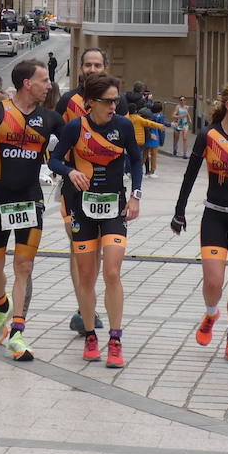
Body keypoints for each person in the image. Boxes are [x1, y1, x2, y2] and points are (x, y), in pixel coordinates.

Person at [0, 58, 61, 362]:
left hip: (30, 200)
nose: (49, 86)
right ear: (27, 83)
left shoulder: (49, 119)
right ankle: (1, 306)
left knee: (24, 267)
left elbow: (73, 142)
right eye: (44, 80)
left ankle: (18, 332)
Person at [50, 73, 142, 368]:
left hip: (114, 206)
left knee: (112, 273)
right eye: (107, 101)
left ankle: (115, 340)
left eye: (116, 100)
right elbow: (54, 159)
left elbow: (137, 160)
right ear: (90, 102)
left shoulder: (124, 126)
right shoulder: (76, 127)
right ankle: (91, 336)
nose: (113, 106)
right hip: (82, 208)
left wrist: (135, 196)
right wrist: (69, 172)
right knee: (87, 276)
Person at [171, 82, 228, 364]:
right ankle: (211, 313)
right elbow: (190, 175)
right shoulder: (209, 135)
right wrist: (179, 211)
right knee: (213, 279)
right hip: (215, 214)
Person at [57, 47, 109, 336]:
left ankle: (88, 304)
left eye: (97, 64)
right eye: (87, 64)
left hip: (106, 189)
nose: (91, 69)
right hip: (74, 187)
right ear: (80, 68)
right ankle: (83, 308)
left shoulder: (117, 100)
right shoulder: (68, 101)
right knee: (79, 249)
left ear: (104, 67)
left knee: (98, 249)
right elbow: (53, 138)